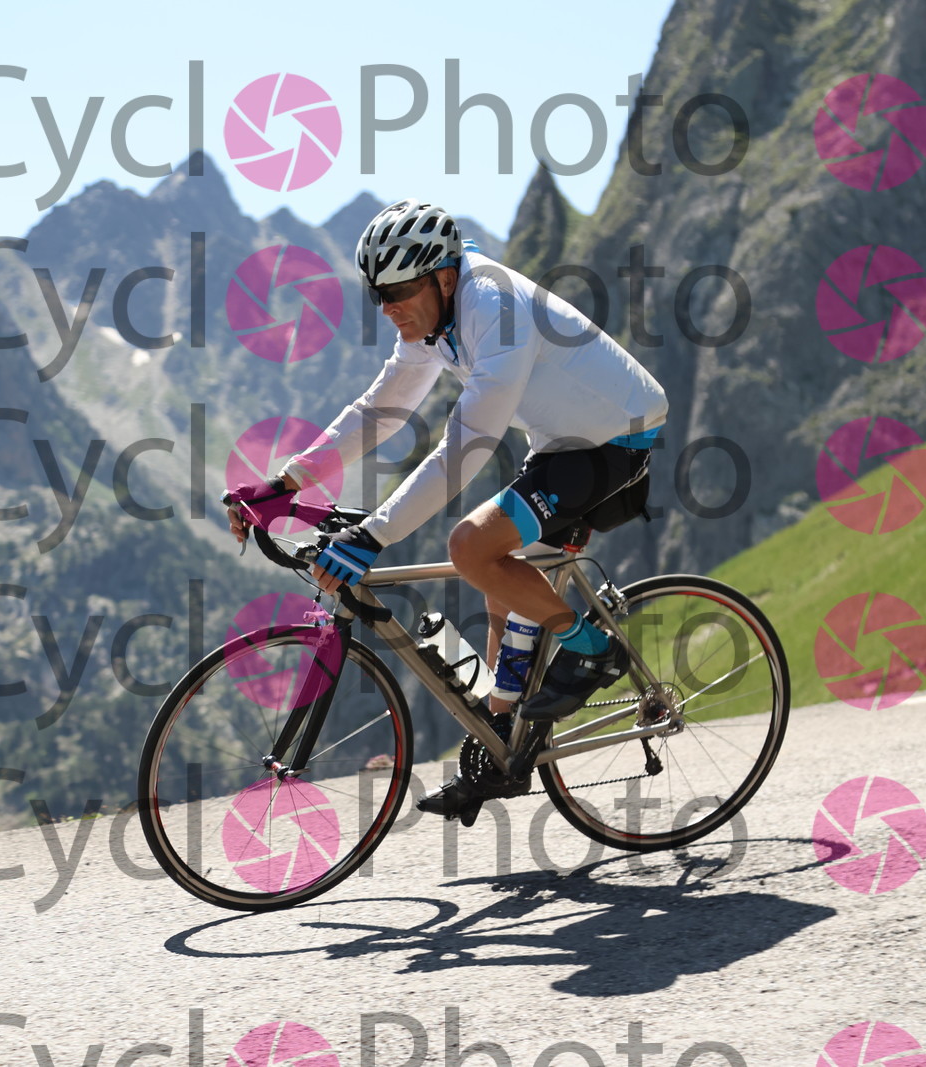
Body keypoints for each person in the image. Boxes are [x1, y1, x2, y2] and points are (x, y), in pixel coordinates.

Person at [226, 199, 667, 820]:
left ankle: (592, 646)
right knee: (503, 589)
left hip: (618, 438)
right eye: (377, 294)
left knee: (471, 548)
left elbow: (464, 448)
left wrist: (372, 536)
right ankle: (503, 752)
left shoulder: (495, 309)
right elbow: (380, 409)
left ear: (445, 278)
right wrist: (287, 482)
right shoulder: (433, 323)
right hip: (561, 443)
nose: (387, 308)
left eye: (397, 291)